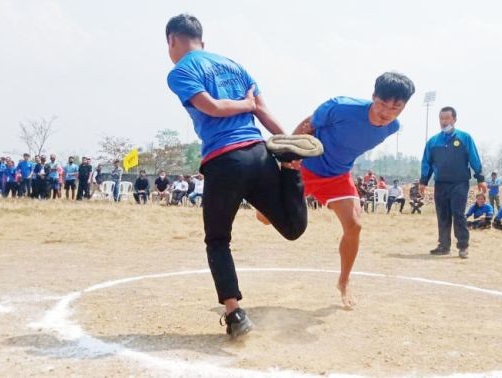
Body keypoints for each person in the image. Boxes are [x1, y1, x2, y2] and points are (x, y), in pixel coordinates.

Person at [165, 14, 322, 338]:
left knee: (218, 240)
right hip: (259, 154)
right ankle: (292, 172)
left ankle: (235, 314)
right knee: (293, 229)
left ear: (172, 41)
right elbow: (261, 110)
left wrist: (244, 104)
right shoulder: (235, 66)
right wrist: (289, 142)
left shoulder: (181, 70)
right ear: (202, 40)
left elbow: (211, 107)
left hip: (225, 161)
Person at [294, 72, 414, 307]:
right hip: (306, 167)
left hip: (337, 176)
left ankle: (344, 280)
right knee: (266, 218)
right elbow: (308, 124)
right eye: (382, 105)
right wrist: (289, 156)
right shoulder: (340, 107)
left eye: (396, 108)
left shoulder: (392, 127)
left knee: (354, 226)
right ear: (373, 97)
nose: (386, 114)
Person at [420, 106, 487, 258]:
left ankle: (463, 246)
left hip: (460, 183)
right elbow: (427, 162)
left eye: (447, 118)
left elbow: (474, 158)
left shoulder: (465, 138)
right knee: (442, 215)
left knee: (458, 214)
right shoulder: (433, 142)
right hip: (441, 183)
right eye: (441, 118)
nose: (444, 122)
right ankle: (443, 245)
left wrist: (480, 178)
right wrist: (423, 180)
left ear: (454, 119)